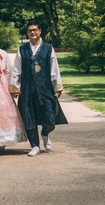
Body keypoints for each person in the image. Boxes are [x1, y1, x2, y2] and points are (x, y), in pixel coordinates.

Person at [10, 20, 65, 157]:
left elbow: (54, 69)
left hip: (45, 88)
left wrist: (57, 86)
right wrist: (15, 87)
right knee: (28, 117)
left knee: (50, 117)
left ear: (39, 31)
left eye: (35, 30)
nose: (33, 32)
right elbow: (16, 70)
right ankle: (35, 145)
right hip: (27, 89)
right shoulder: (22, 50)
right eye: (30, 30)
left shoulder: (48, 48)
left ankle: (45, 133)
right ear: (27, 33)